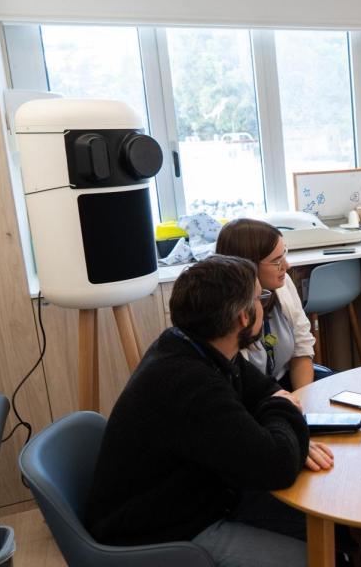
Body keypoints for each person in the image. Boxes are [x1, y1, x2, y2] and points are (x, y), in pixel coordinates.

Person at [85, 255, 339, 567]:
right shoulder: (191, 384)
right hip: (157, 532)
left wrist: (285, 434)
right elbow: (278, 465)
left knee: (331, 529)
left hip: (196, 496)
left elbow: (264, 392)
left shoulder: (196, 346)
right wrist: (286, 426)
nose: (264, 304)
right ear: (243, 318)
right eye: (259, 298)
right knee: (320, 557)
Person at [215, 218, 317, 391]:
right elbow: (238, 387)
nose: (287, 265)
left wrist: (302, 399)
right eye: (277, 261)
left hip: (285, 383)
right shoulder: (225, 311)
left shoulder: (283, 284)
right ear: (249, 265)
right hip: (250, 396)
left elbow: (302, 349)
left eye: (284, 254)